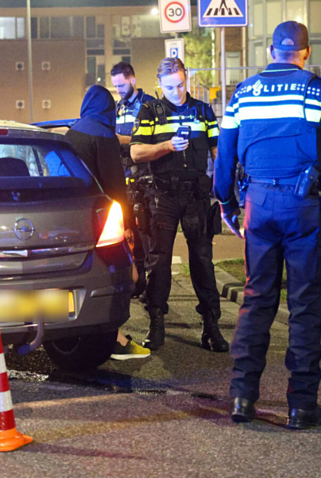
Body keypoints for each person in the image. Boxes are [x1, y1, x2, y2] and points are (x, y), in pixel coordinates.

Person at [214, 21, 321, 430]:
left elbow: (224, 158)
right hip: (303, 207)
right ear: (306, 52)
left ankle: (242, 397)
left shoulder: (243, 93)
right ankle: (301, 406)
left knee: (256, 300)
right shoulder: (317, 90)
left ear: (271, 52)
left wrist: (227, 204)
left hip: (257, 204)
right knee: (305, 305)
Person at [130, 57, 227, 353]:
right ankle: (156, 323)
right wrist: (167, 146)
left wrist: (225, 192)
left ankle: (211, 325)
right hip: (163, 196)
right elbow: (136, 152)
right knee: (159, 262)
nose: (177, 92)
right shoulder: (150, 111)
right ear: (160, 84)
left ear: (187, 79)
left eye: (181, 85)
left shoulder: (203, 110)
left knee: (203, 260)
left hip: (196, 195)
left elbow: (217, 152)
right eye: (170, 87)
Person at [65, 85, 151, 361]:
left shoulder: (72, 133)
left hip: (74, 218)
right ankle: (116, 338)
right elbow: (115, 187)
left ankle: (88, 331)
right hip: (102, 220)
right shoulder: (104, 136)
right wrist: (126, 226)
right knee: (120, 275)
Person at [111, 62, 154, 298]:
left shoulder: (148, 105)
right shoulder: (118, 108)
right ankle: (138, 282)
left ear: (133, 80)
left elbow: (152, 138)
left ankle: (152, 286)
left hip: (145, 176)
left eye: (121, 85)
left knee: (148, 232)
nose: (118, 90)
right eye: (115, 86)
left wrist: (121, 140)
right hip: (124, 176)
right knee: (131, 234)